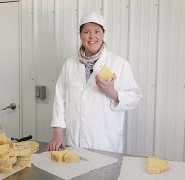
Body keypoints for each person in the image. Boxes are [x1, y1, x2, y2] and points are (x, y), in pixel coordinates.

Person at [48, 12, 141, 153]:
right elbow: (60, 98)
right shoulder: (70, 64)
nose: (92, 36)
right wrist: (58, 132)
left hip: (105, 142)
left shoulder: (119, 63)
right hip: (74, 140)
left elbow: (135, 97)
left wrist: (113, 93)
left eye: (96, 31)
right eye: (86, 32)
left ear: (103, 34)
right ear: (80, 36)